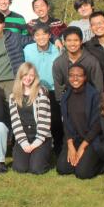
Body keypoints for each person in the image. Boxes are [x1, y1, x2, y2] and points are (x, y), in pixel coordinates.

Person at [56, 64, 104, 179]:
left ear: (85, 77)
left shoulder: (94, 95)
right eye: (71, 75)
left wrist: (82, 147)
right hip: (74, 139)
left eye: (79, 75)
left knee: (82, 173)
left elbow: (98, 125)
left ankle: (103, 163)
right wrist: (70, 145)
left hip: (90, 140)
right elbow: (66, 124)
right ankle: (82, 160)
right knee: (62, 169)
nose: (75, 79)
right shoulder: (66, 96)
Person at [24, 24, 61, 154]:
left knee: (55, 120)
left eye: (44, 34)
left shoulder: (57, 49)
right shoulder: (28, 49)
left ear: (49, 35)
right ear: (33, 37)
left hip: (53, 90)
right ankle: (38, 147)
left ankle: (58, 148)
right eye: (37, 35)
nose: (41, 37)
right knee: (37, 119)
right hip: (35, 89)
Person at [9, 63, 52, 175]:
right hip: (23, 135)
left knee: (36, 169)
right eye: (25, 75)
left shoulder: (42, 92)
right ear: (20, 75)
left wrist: (35, 144)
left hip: (40, 136)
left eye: (31, 75)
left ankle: (43, 155)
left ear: (35, 77)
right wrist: (23, 143)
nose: (28, 78)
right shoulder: (13, 96)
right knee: (20, 168)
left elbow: (44, 121)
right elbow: (15, 121)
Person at [52, 26, 104, 100]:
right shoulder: (58, 63)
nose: (72, 44)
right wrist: (62, 103)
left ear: (81, 41)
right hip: (68, 102)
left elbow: (98, 86)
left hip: (89, 101)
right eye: (69, 40)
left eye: (76, 40)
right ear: (64, 42)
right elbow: (59, 87)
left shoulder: (91, 61)